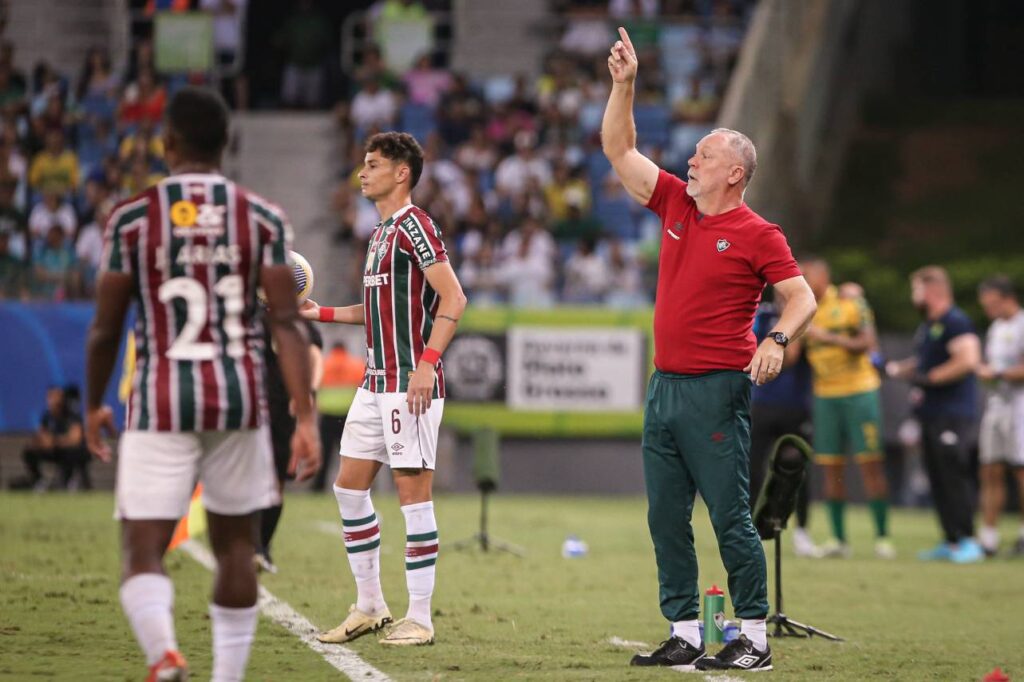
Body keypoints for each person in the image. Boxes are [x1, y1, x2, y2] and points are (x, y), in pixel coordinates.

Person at [83, 86, 321, 682]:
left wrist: (91, 405)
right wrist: (307, 416)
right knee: (237, 546)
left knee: (143, 549)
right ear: (228, 144)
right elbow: (289, 324)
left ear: (167, 144)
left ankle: (164, 655)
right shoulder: (263, 218)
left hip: (159, 397)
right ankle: (227, 677)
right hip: (238, 397)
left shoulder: (133, 218)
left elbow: (105, 330)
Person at [602, 27, 817, 673]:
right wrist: (624, 84)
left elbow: (801, 297)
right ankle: (686, 632)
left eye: (702, 155)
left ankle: (753, 637)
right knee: (666, 518)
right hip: (664, 386)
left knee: (729, 518)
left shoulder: (757, 232)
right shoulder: (674, 201)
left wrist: (777, 338)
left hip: (717, 387)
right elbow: (618, 147)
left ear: (735, 172)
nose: (689, 161)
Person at [302, 131, 467, 647]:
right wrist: (319, 312)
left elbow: (454, 299)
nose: (361, 172)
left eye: (372, 164)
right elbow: (373, 314)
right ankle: (370, 605)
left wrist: (427, 364)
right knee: (348, 489)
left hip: (408, 386)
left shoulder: (416, 226)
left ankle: (419, 617)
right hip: (374, 383)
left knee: (413, 500)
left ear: (401, 173)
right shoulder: (378, 234)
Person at [886, 266, 983, 563]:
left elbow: (968, 360)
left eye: (916, 289)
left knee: (953, 475)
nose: (914, 296)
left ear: (932, 291)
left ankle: (968, 540)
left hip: (952, 413)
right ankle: (951, 539)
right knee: (938, 477)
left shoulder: (956, 321)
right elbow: (923, 362)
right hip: (930, 413)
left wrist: (932, 378)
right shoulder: (930, 325)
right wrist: (896, 369)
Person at [799, 258, 894, 559]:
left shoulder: (850, 302)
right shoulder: (803, 308)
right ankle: (839, 539)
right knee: (830, 466)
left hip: (859, 391)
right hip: (825, 395)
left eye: (806, 274)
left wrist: (826, 336)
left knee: (870, 463)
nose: (800, 278)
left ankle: (882, 538)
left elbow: (866, 343)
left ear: (823, 276)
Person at [256, 291, 324, 574]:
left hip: (284, 408)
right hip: (257, 406)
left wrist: (308, 394)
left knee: (276, 480)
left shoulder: (303, 324)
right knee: (258, 478)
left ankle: (262, 547)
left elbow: (314, 359)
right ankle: (254, 546)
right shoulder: (254, 319)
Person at [748, 296, 818, 558]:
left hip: (795, 405)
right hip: (762, 402)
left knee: (797, 467)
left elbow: (789, 358)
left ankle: (802, 531)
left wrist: (783, 338)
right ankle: (752, 528)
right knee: (752, 466)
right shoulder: (760, 315)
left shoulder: (807, 316)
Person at [975, 275, 1024, 556]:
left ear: (1006, 297)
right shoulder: (995, 328)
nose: (988, 308)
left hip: (1020, 404)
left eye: (991, 302)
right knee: (990, 468)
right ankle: (989, 538)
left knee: (1020, 470)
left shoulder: (1021, 324)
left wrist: (997, 373)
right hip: (997, 403)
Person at [13, 385, 86, 490]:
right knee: (29, 451)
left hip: (69, 452)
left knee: (72, 452)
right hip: (53, 451)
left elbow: (75, 439)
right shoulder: (47, 416)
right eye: (50, 397)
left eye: (56, 396)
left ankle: (68, 482)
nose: (53, 400)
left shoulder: (72, 415)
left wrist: (55, 441)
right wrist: (40, 441)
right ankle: (39, 480)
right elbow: (41, 434)